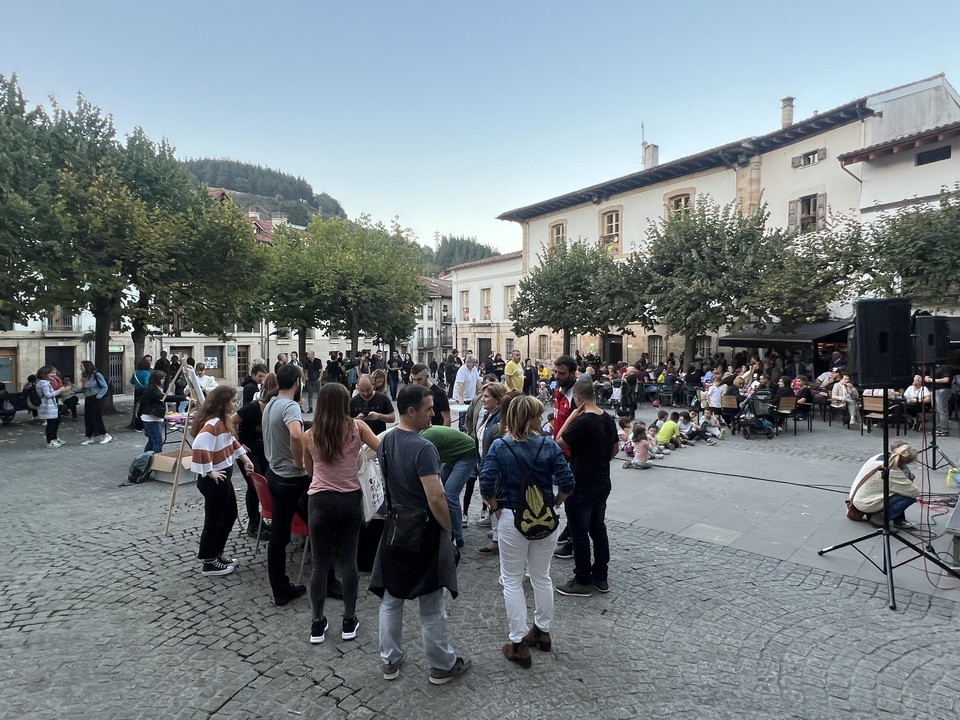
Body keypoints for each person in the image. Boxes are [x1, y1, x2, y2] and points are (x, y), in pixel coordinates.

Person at [369, 384, 471, 685]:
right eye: (428, 409)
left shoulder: (386, 441)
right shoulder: (424, 447)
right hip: (423, 531)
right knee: (431, 602)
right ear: (411, 411)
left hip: (395, 528)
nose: (433, 414)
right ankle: (442, 665)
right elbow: (436, 497)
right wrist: (449, 530)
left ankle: (390, 661)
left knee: (392, 598)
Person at [480, 395, 574, 669]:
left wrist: (495, 506)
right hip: (545, 517)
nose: (542, 419)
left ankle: (518, 642)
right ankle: (542, 630)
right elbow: (568, 481)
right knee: (541, 575)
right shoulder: (548, 444)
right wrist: (556, 503)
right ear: (530, 419)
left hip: (512, 516)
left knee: (511, 580)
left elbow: (486, 482)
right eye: (538, 415)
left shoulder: (500, 446)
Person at [302, 383, 380, 644]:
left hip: (320, 500)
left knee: (320, 563)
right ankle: (349, 619)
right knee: (348, 560)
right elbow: (381, 448)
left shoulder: (310, 434)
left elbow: (309, 471)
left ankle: (317, 623)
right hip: (349, 498)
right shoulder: (358, 428)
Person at [263, 364, 340, 606]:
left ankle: (280, 589)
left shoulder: (271, 403)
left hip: (274, 474)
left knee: (278, 536)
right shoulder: (290, 406)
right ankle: (328, 582)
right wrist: (299, 461)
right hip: (292, 479)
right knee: (321, 529)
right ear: (298, 382)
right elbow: (296, 434)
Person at [555, 381, 619, 596]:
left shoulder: (582, 422)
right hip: (602, 481)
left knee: (579, 531)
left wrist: (571, 417)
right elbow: (615, 448)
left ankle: (582, 579)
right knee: (598, 528)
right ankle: (601, 577)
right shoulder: (607, 418)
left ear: (578, 398)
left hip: (581, 483)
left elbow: (559, 442)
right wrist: (600, 461)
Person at [191, 385, 254, 577]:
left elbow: (231, 442)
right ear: (223, 403)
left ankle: (217, 553)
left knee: (229, 514)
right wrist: (209, 471)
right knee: (215, 519)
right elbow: (199, 445)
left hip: (223, 476)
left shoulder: (222, 422)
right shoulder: (213, 424)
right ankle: (209, 561)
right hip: (215, 480)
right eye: (233, 401)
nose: (235, 404)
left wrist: (245, 459)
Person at [231, 372, 278, 540]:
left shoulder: (274, 410)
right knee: (253, 486)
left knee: (265, 484)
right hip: (247, 452)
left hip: (263, 451)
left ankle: (260, 520)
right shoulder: (252, 407)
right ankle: (253, 524)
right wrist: (239, 443)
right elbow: (230, 421)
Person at [421, 424, 476, 548]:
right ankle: (443, 527)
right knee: (441, 490)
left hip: (467, 453)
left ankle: (457, 537)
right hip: (452, 455)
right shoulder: (419, 436)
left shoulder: (424, 439)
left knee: (451, 494)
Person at [849, 441, 921, 529]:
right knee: (908, 496)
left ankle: (897, 519)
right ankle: (880, 518)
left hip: (858, 498)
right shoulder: (893, 471)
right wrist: (907, 478)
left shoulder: (880, 457)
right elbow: (915, 492)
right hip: (866, 503)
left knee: (899, 489)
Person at [140, 370, 187, 454]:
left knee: (152, 440)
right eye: (162, 378)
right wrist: (183, 398)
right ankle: (156, 458)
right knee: (157, 440)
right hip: (151, 418)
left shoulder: (154, 387)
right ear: (157, 379)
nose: (163, 380)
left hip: (152, 417)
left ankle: (147, 457)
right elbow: (164, 398)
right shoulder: (152, 389)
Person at [79, 360, 111, 445]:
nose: (80, 368)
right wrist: (73, 391)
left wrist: (99, 396)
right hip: (88, 398)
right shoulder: (85, 376)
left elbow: (105, 386)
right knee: (88, 418)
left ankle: (106, 435)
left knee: (96, 417)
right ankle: (89, 437)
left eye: (82, 366)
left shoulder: (96, 375)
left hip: (95, 398)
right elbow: (85, 388)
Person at [36, 366, 63, 448]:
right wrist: (60, 391)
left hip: (50, 406)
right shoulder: (44, 383)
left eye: (55, 373)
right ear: (45, 374)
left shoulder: (43, 382)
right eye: (52, 373)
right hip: (48, 406)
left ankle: (54, 438)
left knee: (56, 420)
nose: (54, 375)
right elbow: (48, 395)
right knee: (51, 424)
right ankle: (50, 441)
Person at [925, 363, 953, 437]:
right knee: (935, 410)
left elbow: (946, 379)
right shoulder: (933, 368)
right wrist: (928, 378)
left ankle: (944, 429)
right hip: (933, 389)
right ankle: (938, 428)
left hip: (942, 389)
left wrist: (932, 380)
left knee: (942, 410)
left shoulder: (945, 367)